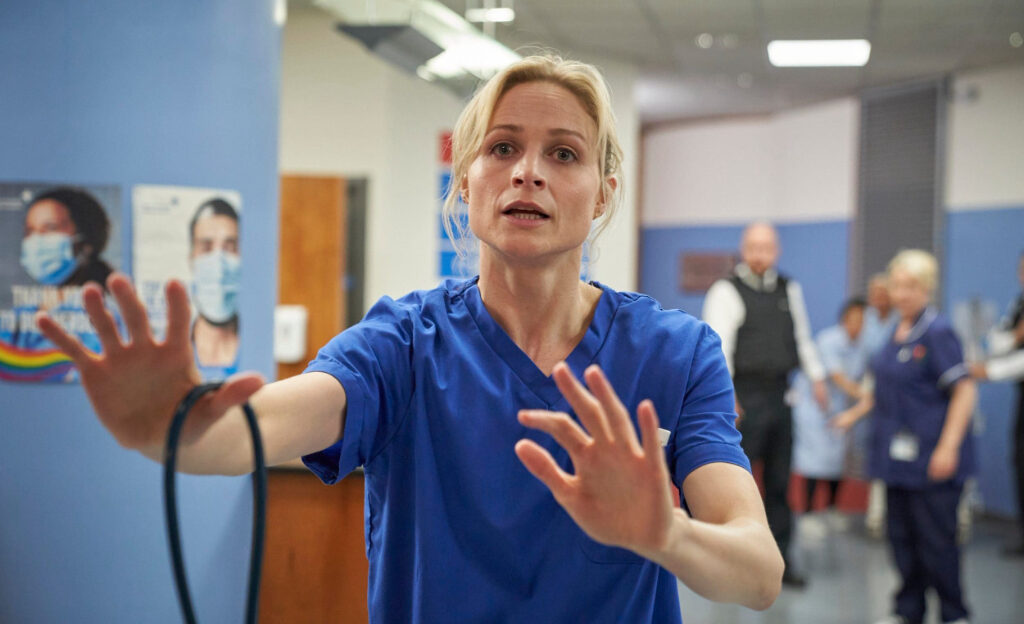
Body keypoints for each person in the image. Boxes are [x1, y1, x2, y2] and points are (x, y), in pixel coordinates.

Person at [37, 55, 783, 622]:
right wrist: (168, 429)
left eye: (563, 153)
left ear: (602, 194)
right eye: (502, 148)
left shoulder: (674, 353)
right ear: (466, 180)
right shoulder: (405, 343)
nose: (528, 173)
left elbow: (758, 573)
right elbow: (254, 431)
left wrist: (665, 535)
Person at [834, 249, 976, 624]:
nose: (902, 294)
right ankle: (908, 610)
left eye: (911, 286)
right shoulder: (893, 333)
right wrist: (852, 415)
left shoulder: (938, 332)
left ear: (927, 288)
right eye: (896, 286)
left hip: (932, 458)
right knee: (901, 538)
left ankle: (954, 613)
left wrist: (948, 447)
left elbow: (964, 390)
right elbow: (882, 389)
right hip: (896, 460)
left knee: (937, 542)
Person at [702, 221, 827, 588]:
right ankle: (727, 562)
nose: (759, 255)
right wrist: (727, 397)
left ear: (777, 250)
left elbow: (801, 337)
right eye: (753, 247)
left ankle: (781, 561)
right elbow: (719, 347)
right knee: (735, 484)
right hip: (742, 397)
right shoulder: (726, 290)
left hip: (781, 396)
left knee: (779, 483)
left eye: (766, 248)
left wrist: (817, 378)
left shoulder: (789, 288)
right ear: (743, 249)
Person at [0, 187, 116, 380]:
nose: (36, 241)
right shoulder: (15, 318)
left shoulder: (105, 319)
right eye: (30, 231)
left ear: (85, 243)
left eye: (51, 228)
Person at [793, 297, 869, 536]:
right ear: (844, 320)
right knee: (813, 462)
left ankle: (831, 509)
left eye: (863, 320)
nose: (858, 325)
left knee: (836, 463)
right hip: (815, 409)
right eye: (854, 320)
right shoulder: (829, 340)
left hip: (840, 409)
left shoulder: (863, 346)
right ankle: (807, 513)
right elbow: (837, 377)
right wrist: (865, 396)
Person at [969, 251, 1024, 557]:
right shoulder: (1019, 305)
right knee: (1019, 460)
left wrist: (990, 371)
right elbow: (998, 341)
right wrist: (1015, 336)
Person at [861, 272, 899, 537]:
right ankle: (875, 515)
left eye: (883, 293)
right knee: (875, 453)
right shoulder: (868, 320)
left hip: (897, 394)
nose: (878, 298)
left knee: (896, 453)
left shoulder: (902, 321)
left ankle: (895, 516)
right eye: (874, 293)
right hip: (872, 388)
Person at [188, 198, 241, 379]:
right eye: (206, 247)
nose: (219, 267)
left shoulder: (258, 343)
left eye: (230, 248)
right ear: (191, 258)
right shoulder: (174, 352)